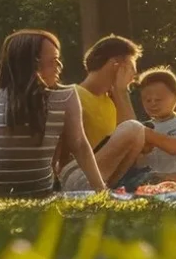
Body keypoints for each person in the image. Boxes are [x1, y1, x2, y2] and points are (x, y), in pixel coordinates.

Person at [0, 30, 107, 198]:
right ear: (32, 64)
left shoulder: (65, 97)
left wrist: (100, 189)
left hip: (22, 192)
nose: (60, 66)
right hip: (9, 193)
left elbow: (80, 145)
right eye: (54, 60)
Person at [59, 35, 148, 191]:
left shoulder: (111, 103)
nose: (133, 77)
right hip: (73, 176)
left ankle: (108, 188)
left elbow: (134, 142)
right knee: (134, 128)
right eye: (130, 69)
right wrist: (121, 91)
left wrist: (120, 93)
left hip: (100, 180)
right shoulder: (72, 95)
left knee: (136, 130)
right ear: (116, 65)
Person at [132, 67, 176, 187]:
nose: (153, 103)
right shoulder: (145, 125)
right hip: (146, 178)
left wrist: (148, 135)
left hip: (172, 178)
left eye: (158, 99)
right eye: (147, 100)